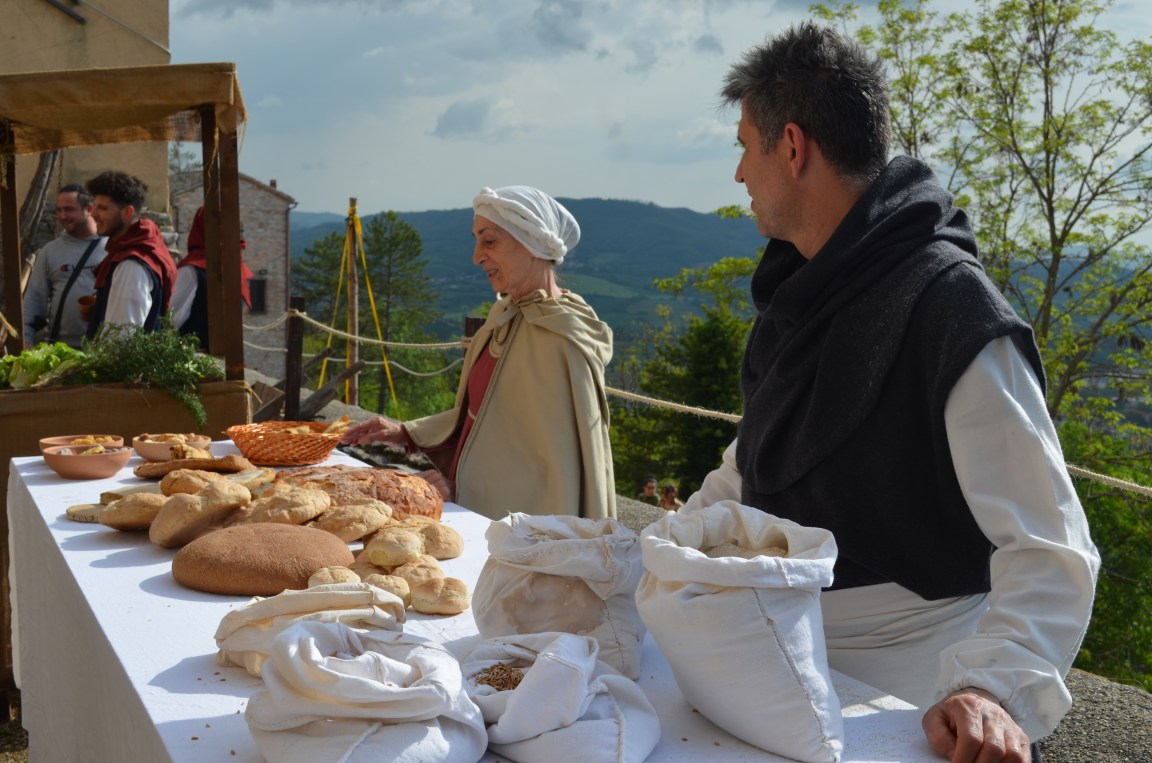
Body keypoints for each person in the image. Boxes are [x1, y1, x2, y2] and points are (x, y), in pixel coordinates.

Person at [685, 23, 1100, 763]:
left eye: (746, 147)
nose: (741, 173)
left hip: (905, 698)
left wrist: (990, 689)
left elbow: (1050, 544)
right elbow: (755, 461)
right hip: (776, 660)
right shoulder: (804, 290)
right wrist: (664, 550)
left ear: (791, 145)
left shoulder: (950, 307)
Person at [341, 186, 616, 521]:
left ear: (532, 243)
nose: (476, 256)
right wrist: (406, 432)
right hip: (473, 511)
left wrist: (465, 491)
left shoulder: (561, 338)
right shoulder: (504, 317)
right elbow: (484, 417)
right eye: (476, 240)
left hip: (519, 535)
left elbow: (553, 475)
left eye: (489, 241)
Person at [82, 171, 177, 338]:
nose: (93, 214)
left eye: (103, 208)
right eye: (94, 206)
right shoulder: (135, 250)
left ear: (127, 213)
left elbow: (122, 338)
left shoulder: (131, 265)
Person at [22, 184, 107, 348]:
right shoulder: (50, 251)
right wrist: (26, 340)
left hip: (100, 351)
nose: (63, 216)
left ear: (89, 209)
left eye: (69, 209)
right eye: (59, 210)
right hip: (61, 349)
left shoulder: (110, 248)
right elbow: (33, 299)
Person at [170, 205, 255, 351]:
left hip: (190, 359)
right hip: (223, 357)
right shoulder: (236, 267)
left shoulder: (191, 271)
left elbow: (170, 320)